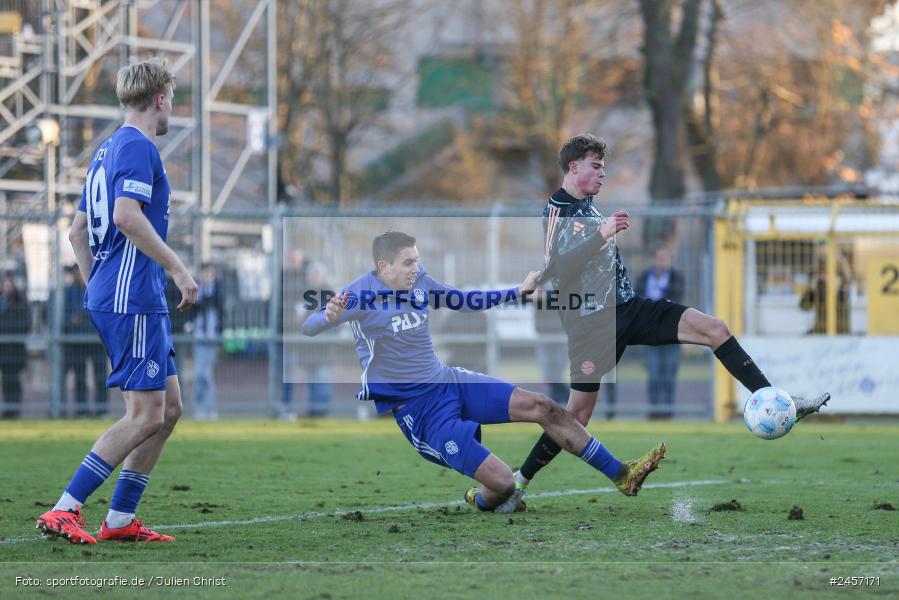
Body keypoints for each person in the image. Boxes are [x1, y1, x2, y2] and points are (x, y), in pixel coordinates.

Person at [498, 134, 830, 513]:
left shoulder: (588, 206)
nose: (603, 174)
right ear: (573, 167)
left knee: (714, 329)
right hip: (592, 326)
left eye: (604, 167)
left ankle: (777, 401)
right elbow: (561, 268)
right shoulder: (557, 209)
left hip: (630, 308)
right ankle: (518, 484)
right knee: (575, 417)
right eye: (596, 166)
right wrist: (603, 233)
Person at [302, 231, 666, 512]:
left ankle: (622, 474)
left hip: (450, 382)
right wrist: (327, 316)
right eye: (408, 262)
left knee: (544, 406)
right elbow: (310, 326)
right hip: (421, 412)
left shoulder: (420, 282)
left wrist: (517, 291)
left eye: (417, 260)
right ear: (384, 267)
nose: (416, 268)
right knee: (504, 485)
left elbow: (463, 301)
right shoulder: (358, 295)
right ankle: (478, 499)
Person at [35, 57, 198, 545]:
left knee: (169, 408)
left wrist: (97, 290)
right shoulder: (139, 147)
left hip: (121, 296)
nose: (172, 109)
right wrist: (177, 268)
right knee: (144, 415)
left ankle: (121, 519)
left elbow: (77, 232)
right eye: (172, 100)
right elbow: (126, 216)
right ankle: (65, 509)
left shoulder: (106, 150)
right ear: (160, 100)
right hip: (134, 298)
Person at [635, 247, 685, 419]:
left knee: (669, 374)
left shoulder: (677, 278)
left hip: (672, 333)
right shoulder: (643, 278)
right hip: (650, 333)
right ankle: (654, 411)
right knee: (654, 373)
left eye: (665, 259)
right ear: (653, 260)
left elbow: (676, 303)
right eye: (659, 258)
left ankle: (668, 411)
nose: (662, 262)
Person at [62, 266, 109, 418]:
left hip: (97, 339)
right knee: (80, 376)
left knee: (100, 376)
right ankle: (81, 410)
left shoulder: (98, 287)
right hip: (77, 342)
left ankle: (102, 410)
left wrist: (79, 316)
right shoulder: (69, 291)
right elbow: (66, 316)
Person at [191, 263, 224, 419]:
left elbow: (218, 305)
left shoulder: (218, 290)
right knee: (200, 373)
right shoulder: (195, 291)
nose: (207, 277)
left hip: (212, 337)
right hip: (199, 336)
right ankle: (200, 407)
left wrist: (210, 288)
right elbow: (196, 307)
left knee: (206, 373)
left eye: (210, 274)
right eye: (205, 274)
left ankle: (209, 408)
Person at [799, 248, 851, 334]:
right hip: (821, 329)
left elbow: (843, 304)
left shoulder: (842, 285)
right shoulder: (819, 285)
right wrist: (812, 289)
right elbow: (804, 306)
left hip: (839, 331)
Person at [0, 274, 28, 419]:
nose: (7, 287)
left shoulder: (20, 302)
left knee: (14, 380)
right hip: (3, 350)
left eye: (9, 284)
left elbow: (25, 324)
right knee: (5, 381)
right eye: (5, 284)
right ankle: (8, 409)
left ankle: (15, 410)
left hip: (15, 349)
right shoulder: (2, 302)